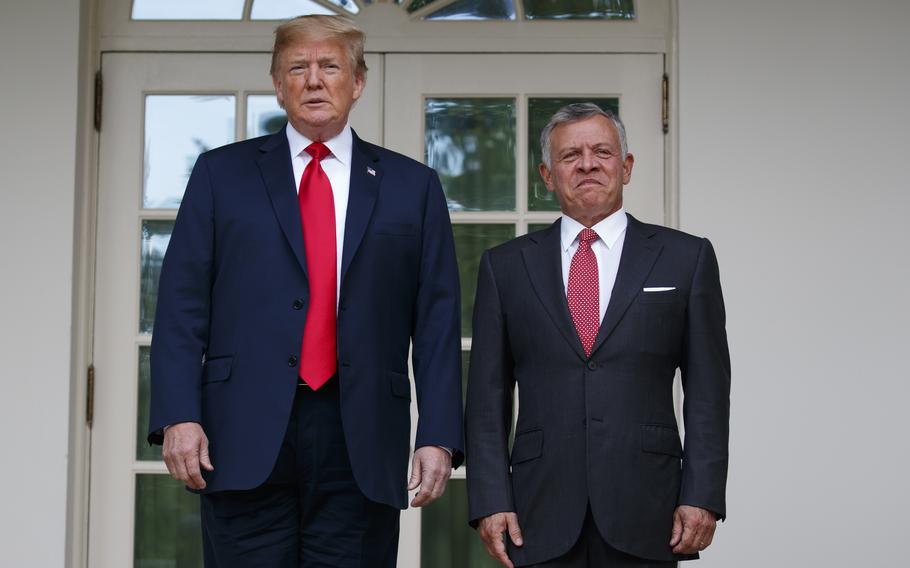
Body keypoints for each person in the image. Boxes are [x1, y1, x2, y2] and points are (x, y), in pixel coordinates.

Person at [147, 15, 463, 567]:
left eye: (330, 67)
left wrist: (438, 433)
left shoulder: (413, 187)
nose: (314, 80)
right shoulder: (221, 175)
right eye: (298, 67)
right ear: (278, 83)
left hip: (360, 434)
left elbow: (437, 321)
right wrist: (178, 414)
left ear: (357, 83)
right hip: (239, 435)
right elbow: (180, 305)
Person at [465, 103, 730, 568]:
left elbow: (708, 391)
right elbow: (487, 397)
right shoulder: (505, 267)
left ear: (626, 167)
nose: (587, 163)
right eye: (570, 155)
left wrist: (703, 495)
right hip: (538, 509)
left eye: (602, 151)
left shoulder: (685, 258)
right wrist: (490, 498)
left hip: (650, 507)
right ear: (548, 175)